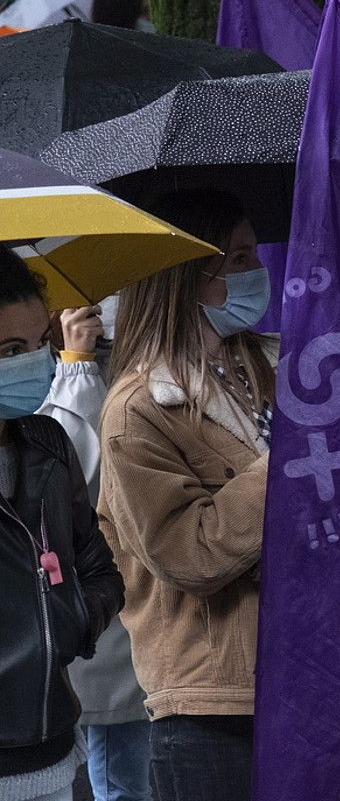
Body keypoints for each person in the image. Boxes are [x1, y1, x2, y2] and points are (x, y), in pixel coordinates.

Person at [98, 189, 275, 801]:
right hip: (211, 700)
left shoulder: (276, 366)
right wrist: (285, 466)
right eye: (242, 258)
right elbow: (189, 553)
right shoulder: (138, 410)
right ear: (196, 275)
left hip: (310, 670)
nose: (260, 272)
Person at [0, 246, 124, 801]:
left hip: (52, 747)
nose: (33, 365)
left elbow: (99, 566)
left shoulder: (46, 443)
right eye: (9, 350)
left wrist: (69, 620)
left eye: (36, 345)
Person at [38, 300, 152, 801]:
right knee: (113, 767)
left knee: (134, 768)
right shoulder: (43, 368)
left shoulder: (139, 357)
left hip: (136, 585)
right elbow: (67, 462)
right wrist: (75, 367)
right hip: (81, 594)